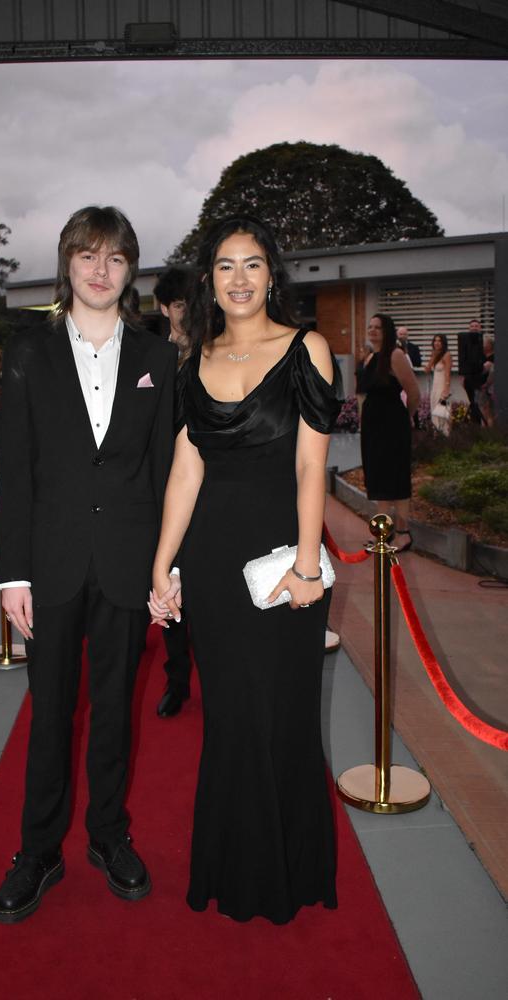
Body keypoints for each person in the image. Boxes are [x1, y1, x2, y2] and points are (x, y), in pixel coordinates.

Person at [149, 214, 341, 924]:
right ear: (209, 279)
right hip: (212, 565)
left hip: (283, 561)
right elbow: (185, 473)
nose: (239, 278)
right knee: (231, 718)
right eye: (225, 265)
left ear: (271, 274)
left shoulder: (307, 349)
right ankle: (235, 868)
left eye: (252, 264)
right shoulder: (193, 359)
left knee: (283, 715)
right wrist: (162, 567)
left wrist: (307, 566)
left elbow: (310, 465)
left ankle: (289, 871)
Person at [0, 205, 177, 924]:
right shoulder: (29, 352)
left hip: (129, 563)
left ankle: (107, 835)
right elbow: (17, 469)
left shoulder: (158, 358)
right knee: (51, 713)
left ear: (131, 271)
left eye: (116, 259)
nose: (101, 272)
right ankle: (38, 849)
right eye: (88, 256)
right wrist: (13, 574)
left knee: (114, 713)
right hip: (52, 562)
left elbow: (165, 473)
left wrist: (170, 568)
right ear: (67, 262)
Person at [152, 265, 198, 718]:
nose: (188, 310)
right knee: (165, 582)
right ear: (164, 307)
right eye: (180, 303)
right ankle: (178, 679)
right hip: (162, 487)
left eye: (192, 301)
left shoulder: (213, 351)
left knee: (206, 582)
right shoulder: (150, 357)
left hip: (207, 487)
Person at [358, 314, 420, 552]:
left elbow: (413, 392)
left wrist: (405, 418)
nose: (372, 331)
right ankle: (383, 532)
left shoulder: (395, 355)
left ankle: (403, 533)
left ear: (388, 331)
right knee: (379, 479)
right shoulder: (371, 357)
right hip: (373, 429)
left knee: (396, 478)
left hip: (393, 427)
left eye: (378, 328)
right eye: (370, 327)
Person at [457, 319, 484, 424]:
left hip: (480, 376)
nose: (474, 328)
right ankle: (475, 424)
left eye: (476, 326)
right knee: (472, 401)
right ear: (469, 328)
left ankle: (480, 423)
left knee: (479, 402)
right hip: (468, 376)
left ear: (480, 327)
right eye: (472, 326)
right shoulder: (464, 340)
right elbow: (462, 358)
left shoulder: (482, 340)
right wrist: (462, 375)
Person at [424, 334, 452, 435]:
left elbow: (448, 373)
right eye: (435, 341)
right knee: (434, 411)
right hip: (435, 387)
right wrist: (434, 356)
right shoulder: (434, 354)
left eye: (439, 341)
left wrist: (446, 389)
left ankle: (445, 435)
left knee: (442, 412)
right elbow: (427, 370)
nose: (437, 343)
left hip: (442, 386)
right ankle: (436, 435)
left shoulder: (447, 355)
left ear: (443, 343)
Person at [478, 334, 495, 427]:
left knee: (487, 411)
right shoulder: (483, 357)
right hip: (482, 388)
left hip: (488, 389)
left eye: (483, 343)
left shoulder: (493, 357)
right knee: (483, 410)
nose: (481, 345)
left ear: (489, 345)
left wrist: (486, 384)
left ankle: (488, 433)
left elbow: (492, 373)